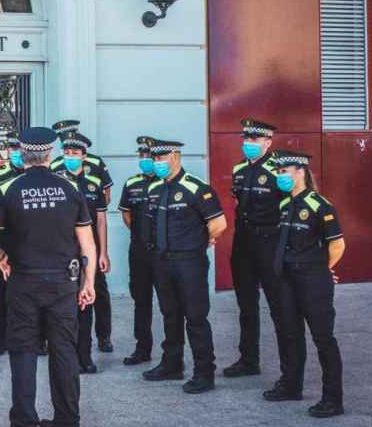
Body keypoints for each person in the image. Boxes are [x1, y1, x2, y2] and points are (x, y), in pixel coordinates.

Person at [0, 126, 98, 427]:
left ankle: (24, 420)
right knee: (64, 350)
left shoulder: (9, 188)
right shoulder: (70, 188)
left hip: (24, 281)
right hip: (64, 282)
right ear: (51, 153)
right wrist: (88, 282)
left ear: (23, 154)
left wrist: (2, 259)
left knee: (23, 352)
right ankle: (67, 419)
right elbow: (87, 242)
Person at [141, 139, 226, 395]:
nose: (157, 163)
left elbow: (218, 223)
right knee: (170, 314)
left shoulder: (196, 188)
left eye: (162, 158)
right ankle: (172, 364)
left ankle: (204, 373)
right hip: (163, 261)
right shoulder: (155, 188)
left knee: (196, 317)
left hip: (189, 262)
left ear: (175, 156)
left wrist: (200, 242)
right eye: (154, 159)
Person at [266, 150, 345, 418]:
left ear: (300, 172)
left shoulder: (319, 205)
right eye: (278, 171)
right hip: (287, 280)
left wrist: (323, 271)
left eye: (284, 171)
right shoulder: (285, 204)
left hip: (312, 281)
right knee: (290, 333)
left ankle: (333, 399)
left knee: (323, 339)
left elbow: (337, 244)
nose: (280, 176)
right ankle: (291, 385)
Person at [224, 119, 294, 384]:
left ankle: (289, 374)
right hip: (244, 243)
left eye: (254, 140)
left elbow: (289, 207)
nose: (248, 144)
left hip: (270, 243)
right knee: (246, 305)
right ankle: (248, 359)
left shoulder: (280, 170)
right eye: (246, 140)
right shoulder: (240, 169)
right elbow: (237, 203)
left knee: (280, 307)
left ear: (268, 142)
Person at [50, 120, 114, 353]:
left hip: (91, 242)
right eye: (64, 144)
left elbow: (103, 204)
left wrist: (103, 250)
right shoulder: (56, 168)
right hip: (65, 244)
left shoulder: (95, 166)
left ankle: (104, 335)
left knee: (99, 289)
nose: (69, 151)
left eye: (73, 147)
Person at [116, 136, 158, 365]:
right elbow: (126, 214)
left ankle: (173, 356)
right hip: (139, 252)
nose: (145, 160)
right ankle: (142, 349)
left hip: (163, 253)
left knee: (171, 304)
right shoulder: (132, 183)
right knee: (141, 301)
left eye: (148, 156)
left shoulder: (166, 183)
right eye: (141, 156)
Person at [0, 131, 24, 357]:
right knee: (3, 295)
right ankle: (0, 338)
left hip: (29, 242)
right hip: (3, 243)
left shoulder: (40, 174)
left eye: (20, 149)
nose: (17, 153)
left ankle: (36, 339)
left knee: (30, 294)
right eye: (13, 149)